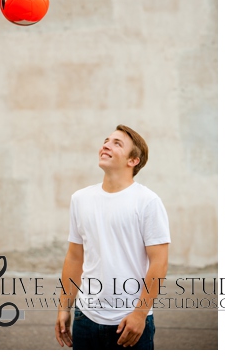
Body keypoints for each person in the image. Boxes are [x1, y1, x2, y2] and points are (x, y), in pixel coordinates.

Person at [55, 125, 171, 349]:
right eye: (106, 140)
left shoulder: (147, 201)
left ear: (133, 160)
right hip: (85, 318)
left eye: (117, 143)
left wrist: (139, 314)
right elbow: (74, 257)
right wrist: (64, 307)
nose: (106, 145)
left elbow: (159, 262)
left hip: (130, 321)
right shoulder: (80, 199)